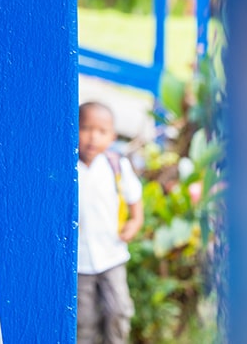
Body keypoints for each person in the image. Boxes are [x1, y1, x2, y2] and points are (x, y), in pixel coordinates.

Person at [77, 101, 145, 344]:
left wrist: (135, 222)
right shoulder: (68, 168)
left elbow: (134, 200)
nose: (93, 137)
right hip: (80, 261)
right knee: (83, 319)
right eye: (85, 128)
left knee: (118, 310)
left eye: (102, 131)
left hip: (112, 255)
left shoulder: (117, 166)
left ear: (113, 136)